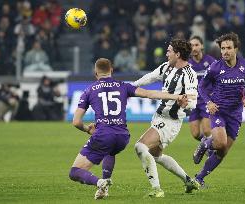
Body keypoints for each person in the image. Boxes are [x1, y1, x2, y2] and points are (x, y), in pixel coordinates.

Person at [69, 58, 191, 200]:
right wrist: (177, 96)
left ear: (95, 73)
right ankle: (105, 189)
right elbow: (150, 94)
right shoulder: (123, 86)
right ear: (112, 71)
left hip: (103, 135)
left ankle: (100, 182)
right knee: (110, 150)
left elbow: (76, 122)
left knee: (74, 172)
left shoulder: (89, 90)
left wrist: (87, 129)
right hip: (122, 137)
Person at [133, 38, 200, 198]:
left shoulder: (189, 74)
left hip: (170, 121)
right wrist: (129, 87)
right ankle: (189, 181)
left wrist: (186, 103)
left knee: (140, 147)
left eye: (169, 50)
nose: (166, 53)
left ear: (177, 54)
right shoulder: (167, 67)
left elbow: (193, 101)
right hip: (158, 117)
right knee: (156, 156)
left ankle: (157, 189)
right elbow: (149, 77)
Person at [193, 32, 245, 187]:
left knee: (223, 151)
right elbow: (202, 86)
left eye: (228, 48)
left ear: (236, 49)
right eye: (223, 48)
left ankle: (199, 178)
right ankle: (205, 143)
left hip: (236, 114)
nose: (225, 51)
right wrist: (209, 103)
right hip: (219, 111)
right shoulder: (215, 67)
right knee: (220, 143)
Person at [188, 36, 216, 142]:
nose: (194, 48)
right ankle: (208, 145)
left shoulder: (211, 62)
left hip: (207, 100)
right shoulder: (187, 65)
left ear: (202, 46)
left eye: (196, 45)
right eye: (191, 45)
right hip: (193, 101)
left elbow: (219, 78)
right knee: (195, 134)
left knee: (207, 130)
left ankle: (212, 150)